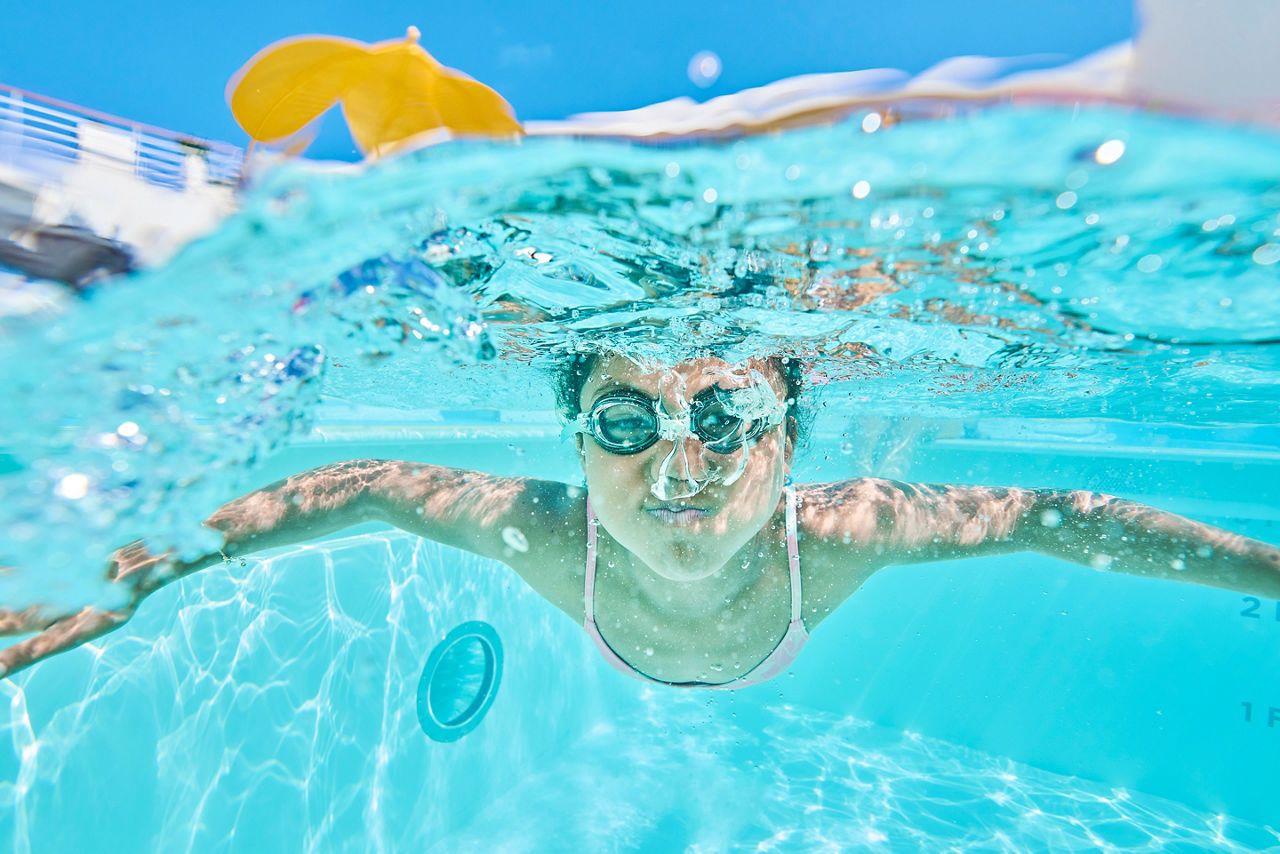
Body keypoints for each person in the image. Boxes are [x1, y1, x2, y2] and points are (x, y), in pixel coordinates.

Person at [2, 351, 1278, 685]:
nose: (676, 461)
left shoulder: (840, 530)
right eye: (624, 421)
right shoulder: (550, 531)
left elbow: (1053, 511)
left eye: (722, 416)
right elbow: (365, 481)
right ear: (574, 444)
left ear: (786, 449)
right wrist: (130, 576)